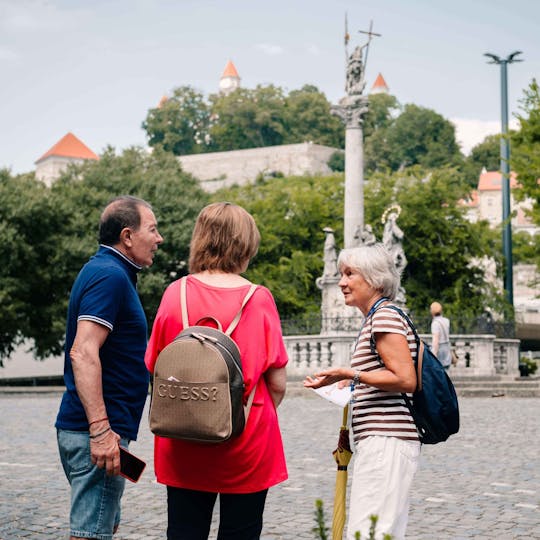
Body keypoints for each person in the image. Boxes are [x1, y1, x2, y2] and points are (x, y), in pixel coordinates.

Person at [145, 202, 288, 540]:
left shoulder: (174, 293)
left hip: (183, 438)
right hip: (246, 440)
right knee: (242, 531)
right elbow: (278, 382)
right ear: (245, 244)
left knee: (184, 531)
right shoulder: (259, 298)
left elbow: (154, 366)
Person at [55, 195, 163, 540]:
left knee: (103, 524)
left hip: (97, 431)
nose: (159, 238)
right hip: (97, 434)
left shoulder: (109, 271)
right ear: (127, 236)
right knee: (89, 533)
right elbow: (83, 352)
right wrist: (101, 431)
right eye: (153, 229)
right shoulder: (109, 276)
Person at [304, 243, 420, 540]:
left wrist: (350, 373)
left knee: (370, 531)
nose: (341, 282)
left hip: (386, 439)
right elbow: (388, 375)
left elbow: (406, 379)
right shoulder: (378, 316)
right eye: (342, 274)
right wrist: (349, 382)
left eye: (349, 274)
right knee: (376, 530)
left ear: (374, 278)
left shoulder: (384, 317)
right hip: (383, 438)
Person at [430, 301, 452, 370]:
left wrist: (434, 356)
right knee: (446, 373)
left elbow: (435, 340)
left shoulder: (435, 323)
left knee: (439, 374)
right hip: (447, 349)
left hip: (440, 351)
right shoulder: (446, 321)